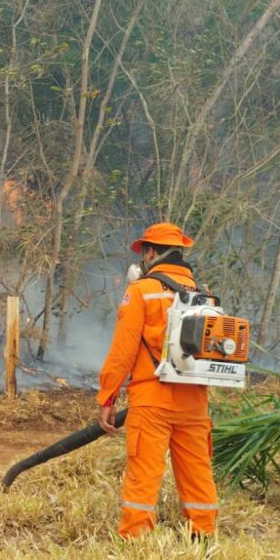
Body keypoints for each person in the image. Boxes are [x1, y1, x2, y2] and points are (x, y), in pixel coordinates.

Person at [97, 222, 219, 539]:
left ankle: (135, 538)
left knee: (145, 472)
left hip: (152, 400)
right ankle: (204, 533)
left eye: (144, 253)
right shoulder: (204, 295)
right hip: (195, 402)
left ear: (151, 252)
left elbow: (122, 353)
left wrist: (107, 398)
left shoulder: (141, 292)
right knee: (197, 471)